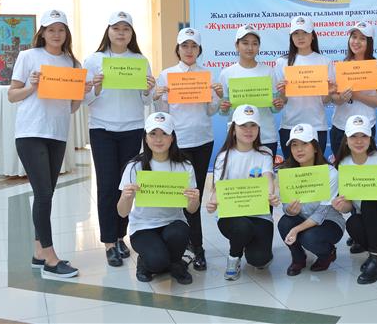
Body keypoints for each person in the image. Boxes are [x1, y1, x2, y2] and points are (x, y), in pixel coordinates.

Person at [8, 9, 90, 279]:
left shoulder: (72, 62)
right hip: (31, 132)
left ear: (66, 33)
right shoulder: (28, 56)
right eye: (51, 29)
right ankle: (51, 259)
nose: (56, 34)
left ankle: (38, 252)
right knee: (43, 194)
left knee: (47, 194)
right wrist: (32, 87)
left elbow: (72, 107)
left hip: (57, 133)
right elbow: (12, 95)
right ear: (42, 32)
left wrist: (82, 92)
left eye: (61, 29)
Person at [83, 11, 155, 267]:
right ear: (108, 31)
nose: (121, 33)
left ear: (132, 33)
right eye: (116, 28)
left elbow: (146, 100)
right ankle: (108, 242)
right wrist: (96, 87)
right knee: (106, 185)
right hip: (102, 129)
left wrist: (147, 89)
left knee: (126, 187)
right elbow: (85, 99)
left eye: (126, 28)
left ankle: (120, 236)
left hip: (132, 129)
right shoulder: (94, 60)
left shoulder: (140, 60)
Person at [154, 27, 223, 271]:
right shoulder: (167, 75)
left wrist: (216, 96)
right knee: (179, 195)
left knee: (195, 195)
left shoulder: (206, 74)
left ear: (199, 49)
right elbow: (163, 113)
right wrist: (158, 96)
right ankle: (182, 244)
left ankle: (197, 246)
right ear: (178, 48)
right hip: (178, 143)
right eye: (185, 45)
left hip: (203, 141)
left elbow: (211, 111)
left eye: (194, 46)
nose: (189, 50)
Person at [117, 112, 199, 284]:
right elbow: (122, 213)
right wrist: (126, 197)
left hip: (173, 222)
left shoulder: (184, 165)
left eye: (164, 134)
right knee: (157, 263)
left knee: (179, 232)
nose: (158, 139)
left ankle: (176, 263)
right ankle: (145, 262)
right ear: (145, 138)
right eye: (153, 134)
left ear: (172, 138)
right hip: (143, 226)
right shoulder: (135, 166)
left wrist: (194, 200)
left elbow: (192, 210)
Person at [206, 105, 279, 280]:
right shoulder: (223, 156)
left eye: (253, 125)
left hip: (259, 215)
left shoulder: (265, 153)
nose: (248, 130)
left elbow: (268, 179)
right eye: (243, 126)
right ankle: (234, 257)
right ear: (233, 129)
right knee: (242, 227)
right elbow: (218, 188)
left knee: (259, 260)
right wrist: (212, 202)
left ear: (259, 129)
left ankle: (249, 244)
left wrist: (270, 195)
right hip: (232, 216)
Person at [331, 114, 377, 284]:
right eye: (354, 136)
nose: (359, 141)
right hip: (368, 220)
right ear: (346, 140)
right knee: (353, 222)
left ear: (370, 138)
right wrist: (341, 206)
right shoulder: (344, 164)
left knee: (369, 202)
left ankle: (374, 258)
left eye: (364, 136)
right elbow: (349, 205)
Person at [277, 123, 345, 276]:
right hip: (302, 217)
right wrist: (290, 211)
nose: (299, 149)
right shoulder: (287, 173)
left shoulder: (330, 173)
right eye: (294, 145)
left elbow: (321, 214)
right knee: (284, 223)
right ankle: (298, 258)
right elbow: (285, 206)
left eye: (304, 144)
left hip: (329, 221)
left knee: (310, 237)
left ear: (315, 147)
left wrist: (296, 229)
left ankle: (327, 254)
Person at [219, 24, 284, 156]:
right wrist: (224, 107)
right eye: (245, 43)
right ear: (237, 45)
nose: (250, 48)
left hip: (265, 135)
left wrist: (278, 104)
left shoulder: (268, 71)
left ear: (259, 47)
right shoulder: (227, 73)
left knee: (266, 170)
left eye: (254, 43)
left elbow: (274, 109)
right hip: (238, 137)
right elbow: (223, 111)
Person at [274, 16, 334, 159]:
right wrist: (282, 92)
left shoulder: (324, 61)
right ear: (291, 37)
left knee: (315, 170)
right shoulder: (282, 62)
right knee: (292, 170)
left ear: (312, 36)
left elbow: (325, 101)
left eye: (305, 33)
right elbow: (282, 101)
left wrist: (329, 92)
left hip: (317, 126)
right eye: (296, 33)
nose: (300, 37)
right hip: (290, 126)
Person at [330, 21, 377, 156]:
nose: (356, 42)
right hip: (340, 127)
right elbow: (334, 99)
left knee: (364, 168)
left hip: (365, 128)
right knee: (341, 167)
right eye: (354, 37)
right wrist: (341, 98)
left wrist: (357, 96)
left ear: (370, 43)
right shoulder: (341, 66)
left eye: (362, 38)